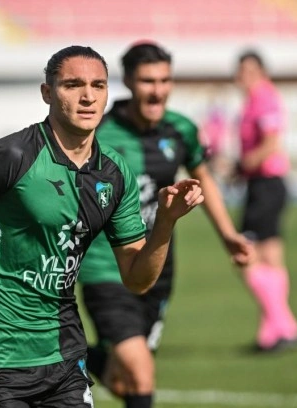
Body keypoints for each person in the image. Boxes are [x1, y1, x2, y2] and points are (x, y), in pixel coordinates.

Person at [0, 45, 205, 408]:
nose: (88, 97)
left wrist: (164, 223)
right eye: (73, 85)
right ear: (47, 93)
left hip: (66, 358)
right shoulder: (12, 156)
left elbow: (137, 279)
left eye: (98, 86)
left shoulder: (115, 173)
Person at [77, 42, 253, 408]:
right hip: (107, 267)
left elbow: (204, 179)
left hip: (158, 267)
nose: (157, 90)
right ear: (128, 81)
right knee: (141, 372)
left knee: (124, 380)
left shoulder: (180, 129)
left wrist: (228, 235)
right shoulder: (99, 133)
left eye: (164, 80)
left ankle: (72, 357)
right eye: (147, 81)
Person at [233, 50, 297, 352]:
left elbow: (271, 143)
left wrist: (243, 164)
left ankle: (285, 325)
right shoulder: (252, 101)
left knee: (245, 256)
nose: (243, 77)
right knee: (270, 259)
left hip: (267, 185)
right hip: (260, 184)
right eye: (241, 71)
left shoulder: (265, 98)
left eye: (249, 71)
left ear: (262, 73)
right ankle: (271, 332)